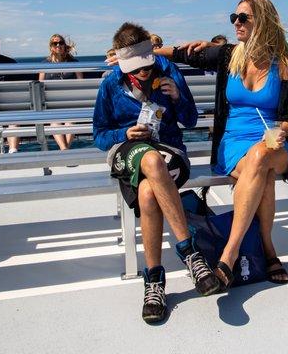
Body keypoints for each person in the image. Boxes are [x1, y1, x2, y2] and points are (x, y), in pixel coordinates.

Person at [155, 0, 288, 289]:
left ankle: (229, 254)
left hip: (274, 143)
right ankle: (268, 249)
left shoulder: (285, 63)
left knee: (261, 156)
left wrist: (282, 131)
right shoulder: (228, 56)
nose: (236, 23)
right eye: (233, 18)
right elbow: (185, 54)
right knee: (260, 172)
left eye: (243, 18)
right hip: (234, 143)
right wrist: (146, 50)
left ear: (262, 21)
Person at [93, 22, 220, 324]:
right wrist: (124, 132)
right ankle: (190, 253)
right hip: (127, 151)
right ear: (123, 64)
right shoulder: (111, 83)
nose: (143, 73)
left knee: (149, 191)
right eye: (135, 69)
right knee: (150, 161)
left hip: (170, 151)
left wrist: (178, 97)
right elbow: (99, 134)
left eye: (146, 66)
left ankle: (154, 282)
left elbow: (190, 121)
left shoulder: (168, 70)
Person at [39, 34, 84, 150]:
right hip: (52, 104)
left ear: (64, 45)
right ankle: (65, 150)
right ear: (51, 47)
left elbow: (81, 83)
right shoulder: (45, 64)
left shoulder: (74, 63)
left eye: (60, 43)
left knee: (71, 122)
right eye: (55, 43)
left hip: (71, 102)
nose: (58, 45)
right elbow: (40, 84)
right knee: (55, 122)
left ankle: (64, 150)